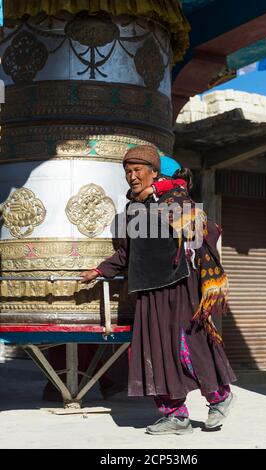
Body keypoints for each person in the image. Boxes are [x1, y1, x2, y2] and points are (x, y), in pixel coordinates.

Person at [80, 145, 237, 435]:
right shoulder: (133, 209)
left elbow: (205, 232)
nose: (132, 176)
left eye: (138, 170)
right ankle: (175, 415)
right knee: (156, 351)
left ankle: (220, 397)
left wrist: (184, 217)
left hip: (179, 286)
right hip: (148, 290)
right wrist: (100, 270)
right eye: (128, 171)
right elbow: (127, 254)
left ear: (154, 173)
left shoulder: (174, 199)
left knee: (188, 346)